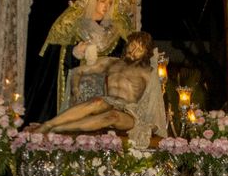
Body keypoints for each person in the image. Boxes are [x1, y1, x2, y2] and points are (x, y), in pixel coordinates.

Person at [34, 31, 167, 147]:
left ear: (146, 53)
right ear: (127, 45)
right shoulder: (111, 63)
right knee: (97, 102)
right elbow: (78, 71)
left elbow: (154, 102)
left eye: (139, 49)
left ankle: (57, 128)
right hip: (109, 101)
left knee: (113, 116)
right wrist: (75, 88)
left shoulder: (148, 72)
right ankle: (48, 124)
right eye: (132, 46)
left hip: (130, 113)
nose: (133, 51)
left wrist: (153, 124)